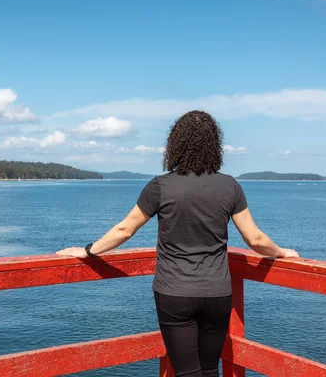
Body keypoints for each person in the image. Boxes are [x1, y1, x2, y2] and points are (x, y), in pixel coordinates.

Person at [56, 110, 299, 377]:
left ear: (175, 144)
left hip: (175, 293)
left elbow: (125, 229)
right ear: (214, 146)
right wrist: (281, 252)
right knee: (209, 371)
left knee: (186, 373)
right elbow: (255, 239)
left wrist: (88, 250)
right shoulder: (230, 187)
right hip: (217, 293)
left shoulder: (160, 186)